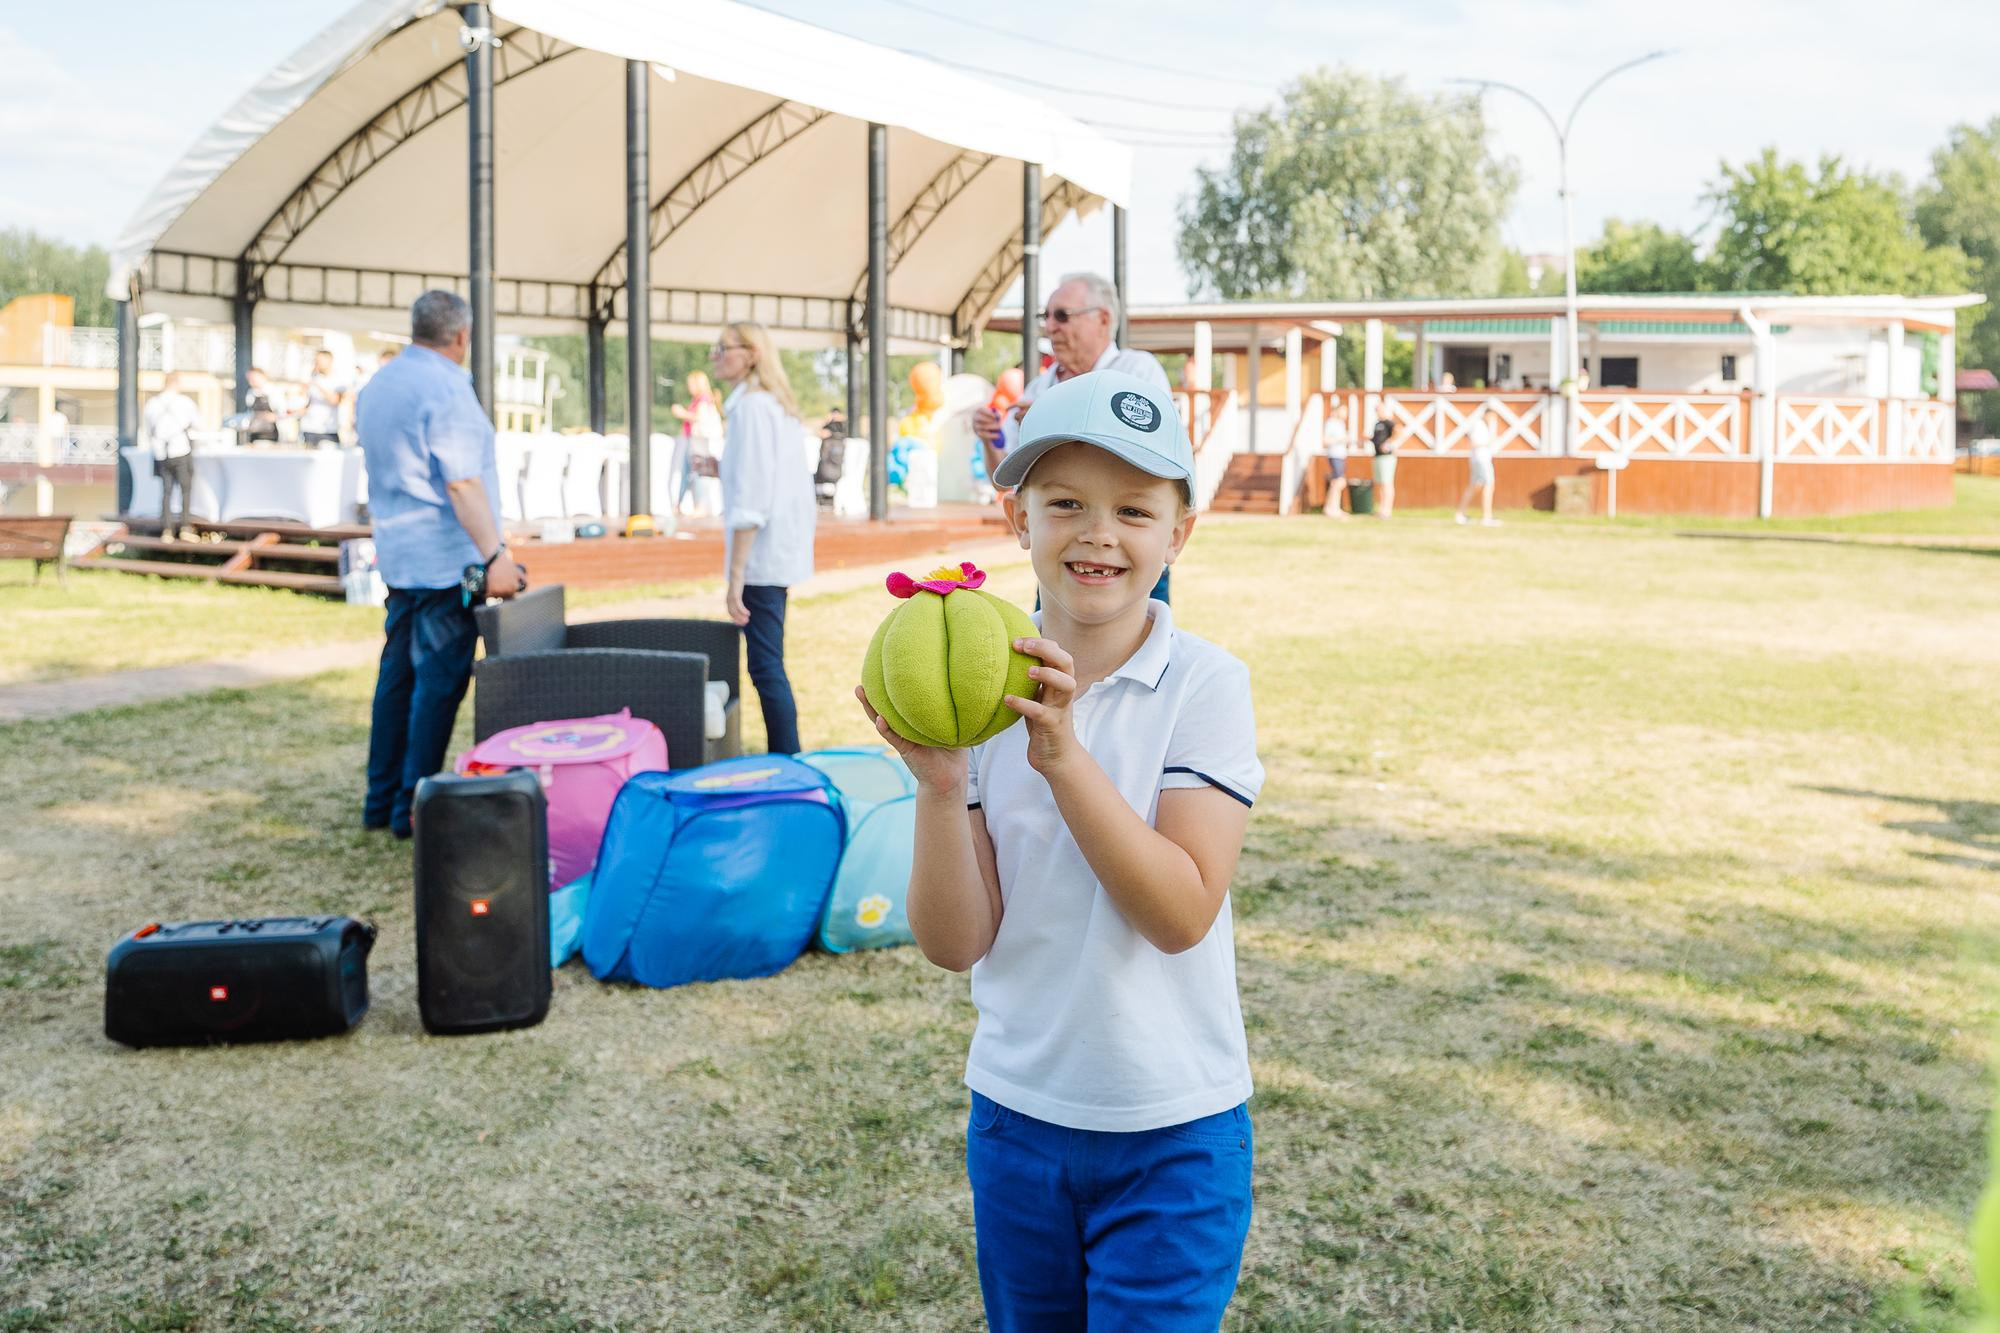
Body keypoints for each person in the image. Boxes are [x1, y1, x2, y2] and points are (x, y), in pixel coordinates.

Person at [859, 369, 1263, 1329]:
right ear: (1016, 515)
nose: (1098, 533)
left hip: (1176, 1127)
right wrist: (944, 783)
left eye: (1134, 508)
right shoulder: (974, 683)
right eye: (1066, 503)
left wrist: (1061, 753)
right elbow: (957, 943)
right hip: (1019, 1115)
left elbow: (1180, 913)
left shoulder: (1205, 685)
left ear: (1178, 532)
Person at [355, 290, 525, 838]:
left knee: (398, 678)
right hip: (449, 560)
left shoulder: (381, 383)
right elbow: (461, 479)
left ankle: (381, 800)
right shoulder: (447, 387)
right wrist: (496, 555)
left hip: (400, 553)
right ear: (461, 336)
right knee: (440, 681)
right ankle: (414, 805)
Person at [972, 271, 1175, 603]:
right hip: (1063, 560)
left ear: (1103, 319)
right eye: (1047, 316)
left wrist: (1055, 415)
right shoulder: (1040, 387)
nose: (1051, 326)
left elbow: (1146, 452)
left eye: (1062, 315)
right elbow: (1003, 480)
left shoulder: (1138, 370)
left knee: (1143, 651)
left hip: (1130, 558)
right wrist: (988, 437)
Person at [711, 320, 815, 755]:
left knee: (766, 667)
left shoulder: (753, 407)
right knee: (767, 664)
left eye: (723, 348)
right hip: (775, 554)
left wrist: (736, 578)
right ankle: (787, 757)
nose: (715, 355)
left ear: (750, 354)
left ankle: (788, 759)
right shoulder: (769, 405)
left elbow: (753, 499)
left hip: (762, 559)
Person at [143, 372, 200, 539]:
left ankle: (166, 530)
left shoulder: (152, 403)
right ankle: (185, 527)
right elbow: (197, 424)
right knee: (185, 489)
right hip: (180, 449)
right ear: (177, 384)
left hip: (160, 452)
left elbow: (148, 429)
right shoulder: (184, 402)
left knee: (166, 491)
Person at [670, 369, 723, 516]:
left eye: (691, 384)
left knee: (698, 473)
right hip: (693, 441)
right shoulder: (699, 400)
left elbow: (700, 418)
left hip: (699, 442)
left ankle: (701, 505)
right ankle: (680, 505)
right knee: (689, 473)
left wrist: (681, 413)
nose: (689, 387)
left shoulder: (704, 400)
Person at [1456, 402, 1500, 526]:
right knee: (1488, 485)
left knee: (1475, 486)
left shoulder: (1484, 426)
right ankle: (1487, 517)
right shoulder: (1479, 425)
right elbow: (1474, 443)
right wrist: (1487, 442)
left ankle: (1460, 514)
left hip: (1482, 459)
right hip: (1481, 459)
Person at [301, 349, 347, 447]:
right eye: (316, 360)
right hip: (309, 428)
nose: (317, 363)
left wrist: (318, 384)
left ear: (330, 361)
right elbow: (303, 399)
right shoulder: (312, 377)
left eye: (320, 360)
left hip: (328, 430)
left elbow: (334, 401)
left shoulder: (338, 379)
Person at [1320, 396, 1352, 517]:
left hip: (1341, 455)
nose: (1346, 414)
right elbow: (1325, 441)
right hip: (1334, 455)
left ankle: (1334, 507)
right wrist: (1340, 439)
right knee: (1339, 482)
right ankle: (1330, 508)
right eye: (1344, 410)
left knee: (1338, 482)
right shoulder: (1331, 423)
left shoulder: (1341, 424)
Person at [243, 368, 281, 444]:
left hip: (270, 434)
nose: (250, 382)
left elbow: (282, 413)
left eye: (253, 379)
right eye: (249, 379)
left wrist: (270, 416)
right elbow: (249, 412)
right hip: (254, 433)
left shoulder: (274, 392)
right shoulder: (251, 393)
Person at [1371, 417, 1398, 519]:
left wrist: (1388, 443)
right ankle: (1382, 510)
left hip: (1386, 457)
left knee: (1387, 483)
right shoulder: (1377, 423)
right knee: (1381, 483)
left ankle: (1387, 510)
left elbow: (1399, 431)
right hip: (1377, 456)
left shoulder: (1388, 422)